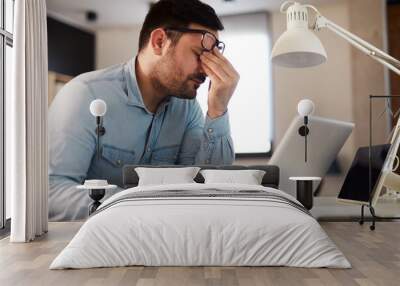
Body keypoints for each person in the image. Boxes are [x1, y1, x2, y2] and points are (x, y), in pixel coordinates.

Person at [48, 0, 240, 221]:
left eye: (213, 59)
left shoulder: (188, 111)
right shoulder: (85, 95)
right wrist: (138, 208)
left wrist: (217, 109)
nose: (206, 70)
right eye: (199, 55)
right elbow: (52, 193)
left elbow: (205, 188)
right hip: (93, 247)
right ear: (159, 42)